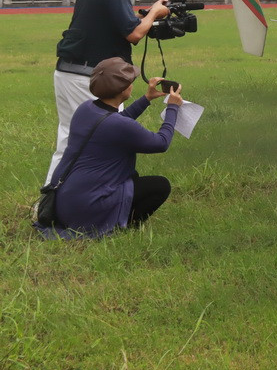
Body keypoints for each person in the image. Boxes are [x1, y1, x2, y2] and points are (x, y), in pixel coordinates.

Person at [48, 0, 171, 185]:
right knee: (109, 137)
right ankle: (101, 196)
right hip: (90, 77)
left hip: (68, 71)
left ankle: (50, 198)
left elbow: (118, 22)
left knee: (69, 138)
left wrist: (142, 17)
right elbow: (134, 34)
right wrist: (155, 13)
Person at [41, 57, 182, 239]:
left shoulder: (86, 108)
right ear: (124, 89)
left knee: (132, 177)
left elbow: (117, 121)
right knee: (160, 186)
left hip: (65, 201)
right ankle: (118, 226)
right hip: (87, 207)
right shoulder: (117, 125)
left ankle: (111, 215)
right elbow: (161, 143)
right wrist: (173, 108)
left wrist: (146, 99)